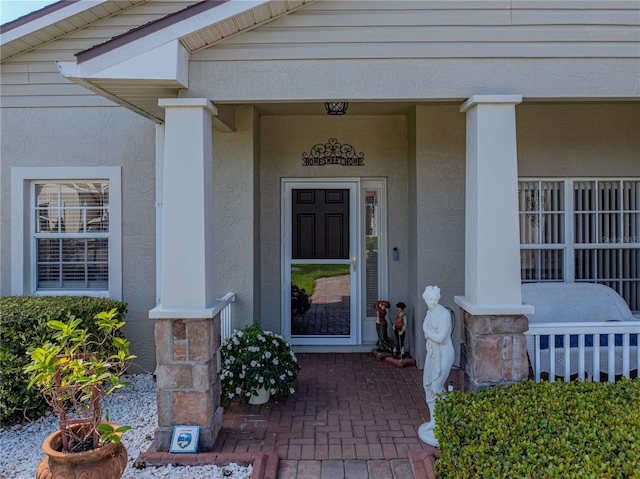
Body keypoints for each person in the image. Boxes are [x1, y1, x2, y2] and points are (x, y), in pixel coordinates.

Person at [419, 286, 454, 437]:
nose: (432, 302)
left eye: (435, 299)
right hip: (432, 354)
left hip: (444, 354)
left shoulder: (443, 314)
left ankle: (448, 415)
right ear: (425, 298)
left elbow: (441, 338)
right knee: (427, 386)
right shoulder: (429, 312)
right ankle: (434, 420)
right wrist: (426, 329)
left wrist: (425, 329)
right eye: (429, 299)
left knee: (436, 385)